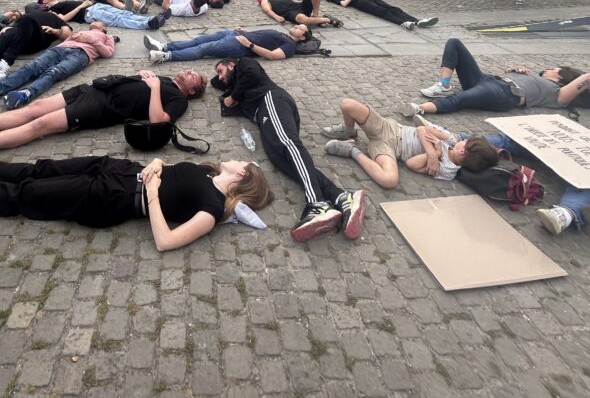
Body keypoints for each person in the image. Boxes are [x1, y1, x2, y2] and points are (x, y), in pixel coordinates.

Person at [0, 146, 272, 250]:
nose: (236, 158)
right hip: (121, 169)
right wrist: (156, 159)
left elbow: (165, 241)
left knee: (33, 195)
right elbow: (167, 164)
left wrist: (151, 193)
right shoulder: (207, 172)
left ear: (242, 175)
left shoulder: (211, 211)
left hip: (116, 198)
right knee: (47, 167)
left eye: (242, 161)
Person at [213, 57, 366, 242]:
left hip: (270, 100)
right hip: (262, 116)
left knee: (287, 144)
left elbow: (251, 74)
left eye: (220, 71)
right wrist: (223, 81)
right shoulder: (233, 80)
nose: (220, 78)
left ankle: (317, 204)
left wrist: (233, 97)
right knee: (284, 161)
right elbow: (216, 83)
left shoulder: (244, 63)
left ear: (231, 64)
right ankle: (342, 197)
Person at [0, 68, 207, 155]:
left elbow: (159, 121)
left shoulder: (177, 98)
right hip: (96, 89)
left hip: (103, 108)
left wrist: (155, 86)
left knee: (41, 125)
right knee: (36, 107)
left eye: (194, 75)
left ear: (193, 90)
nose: (189, 71)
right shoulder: (166, 79)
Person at [322, 99, 498, 189]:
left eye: (466, 143)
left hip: (390, 148)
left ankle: (352, 150)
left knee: (389, 180)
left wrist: (437, 155)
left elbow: (411, 164)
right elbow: (421, 128)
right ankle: (348, 130)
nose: (463, 140)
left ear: (462, 153)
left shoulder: (447, 170)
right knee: (348, 104)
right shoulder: (452, 140)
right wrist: (431, 153)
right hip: (390, 128)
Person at [401, 37, 590, 117]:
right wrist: (517, 70)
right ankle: (444, 84)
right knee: (454, 43)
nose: (548, 68)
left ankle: (419, 109)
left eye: (553, 69)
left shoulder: (559, 94)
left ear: (562, 76)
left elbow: (586, 78)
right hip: (487, 80)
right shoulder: (536, 78)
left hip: (504, 93)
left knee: (462, 99)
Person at [0, 22, 115, 108]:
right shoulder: (81, 31)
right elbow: (65, 38)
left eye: (97, 22)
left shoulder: (107, 37)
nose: (92, 23)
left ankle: (25, 94)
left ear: (103, 28)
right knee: (32, 66)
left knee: (54, 72)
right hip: (60, 49)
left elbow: (107, 53)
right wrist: (74, 36)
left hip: (81, 54)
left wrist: (91, 40)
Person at [145, 24, 313, 63]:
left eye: (300, 28)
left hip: (240, 45)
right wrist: (243, 30)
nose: (296, 26)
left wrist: (249, 45)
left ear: (303, 37)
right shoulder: (283, 34)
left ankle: (166, 56)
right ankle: (164, 46)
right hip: (235, 34)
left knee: (204, 49)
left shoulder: (290, 46)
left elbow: (272, 56)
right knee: (198, 40)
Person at [326, 0, 437, 30]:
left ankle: (418, 21)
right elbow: (344, 4)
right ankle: (403, 23)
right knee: (383, 12)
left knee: (394, 8)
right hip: (362, 4)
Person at [258, 0, 342, 29]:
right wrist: (276, 17)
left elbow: (293, 3)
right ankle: (327, 20)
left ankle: (316, 16)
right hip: (291, 13)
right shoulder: (266, 0)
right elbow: (267, 10)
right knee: (302, 20)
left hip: (300, 6)